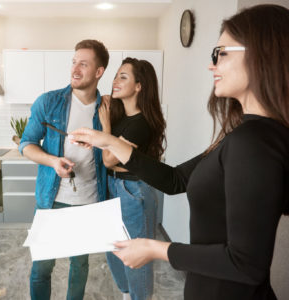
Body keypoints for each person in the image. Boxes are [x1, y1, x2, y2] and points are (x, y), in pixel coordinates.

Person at [69, 4, 289, 300]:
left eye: (221, 53)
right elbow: (174, 181)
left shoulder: (254, 141)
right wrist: (107, 141)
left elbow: (247, 265)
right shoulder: (243, 135)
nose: (212, 65)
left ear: (262, 54)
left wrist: (155, 248)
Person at [19, 39, 109, 300]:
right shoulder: (49, 102)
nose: (75, 69)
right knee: (42, 267)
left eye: (83, 63)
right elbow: (26, 144)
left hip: (89, 201)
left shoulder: (107, 109)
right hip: (52, 200)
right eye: (73, 62)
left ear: (98, 72)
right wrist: (53, 161)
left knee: (79, 266)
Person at [99, 57, 165, 300]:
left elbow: (108, 159)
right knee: (115, 251)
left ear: (139, 86)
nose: (115, 81)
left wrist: (105, 124)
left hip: (133, 191)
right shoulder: (120, 118)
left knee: (137, 258)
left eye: (123, 77)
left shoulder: (141, 123)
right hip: (112, 186)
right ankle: (128, 296)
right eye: (116, 76)